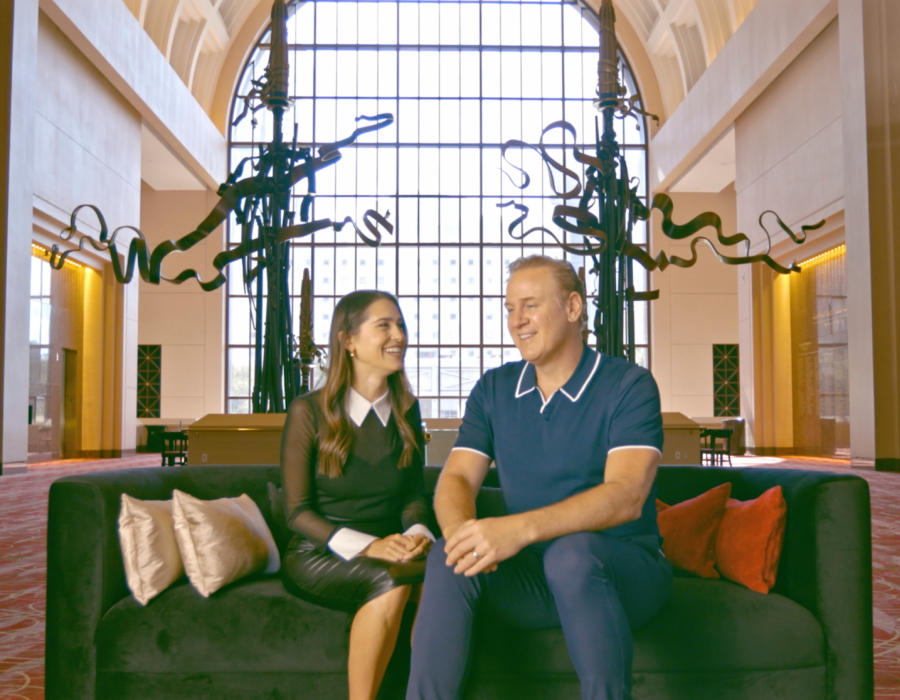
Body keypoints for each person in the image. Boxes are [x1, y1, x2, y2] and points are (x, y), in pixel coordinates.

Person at [406, 255, 673, 700]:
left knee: (571, 554)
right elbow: (455, 480)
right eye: (509, 308)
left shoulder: (629, 385)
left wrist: (517, 529)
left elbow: (626, 495)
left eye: (529, 305)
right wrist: (461, 535)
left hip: (621, 574)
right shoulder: (493, 389)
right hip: (533, 581)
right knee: (448, 555)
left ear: (572, 307)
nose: (517, 320)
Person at [280, 290, 435, 700]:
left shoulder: (408, 410)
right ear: (348, 340)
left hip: (393, 548)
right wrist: (372, 546)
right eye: (384, 325)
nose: (398, 334)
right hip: (318, 554)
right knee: (394, 579)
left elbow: (414, 495)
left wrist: (418, 532)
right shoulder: (307, 411)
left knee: (446, 578)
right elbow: (296, 513)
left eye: (400, 324)